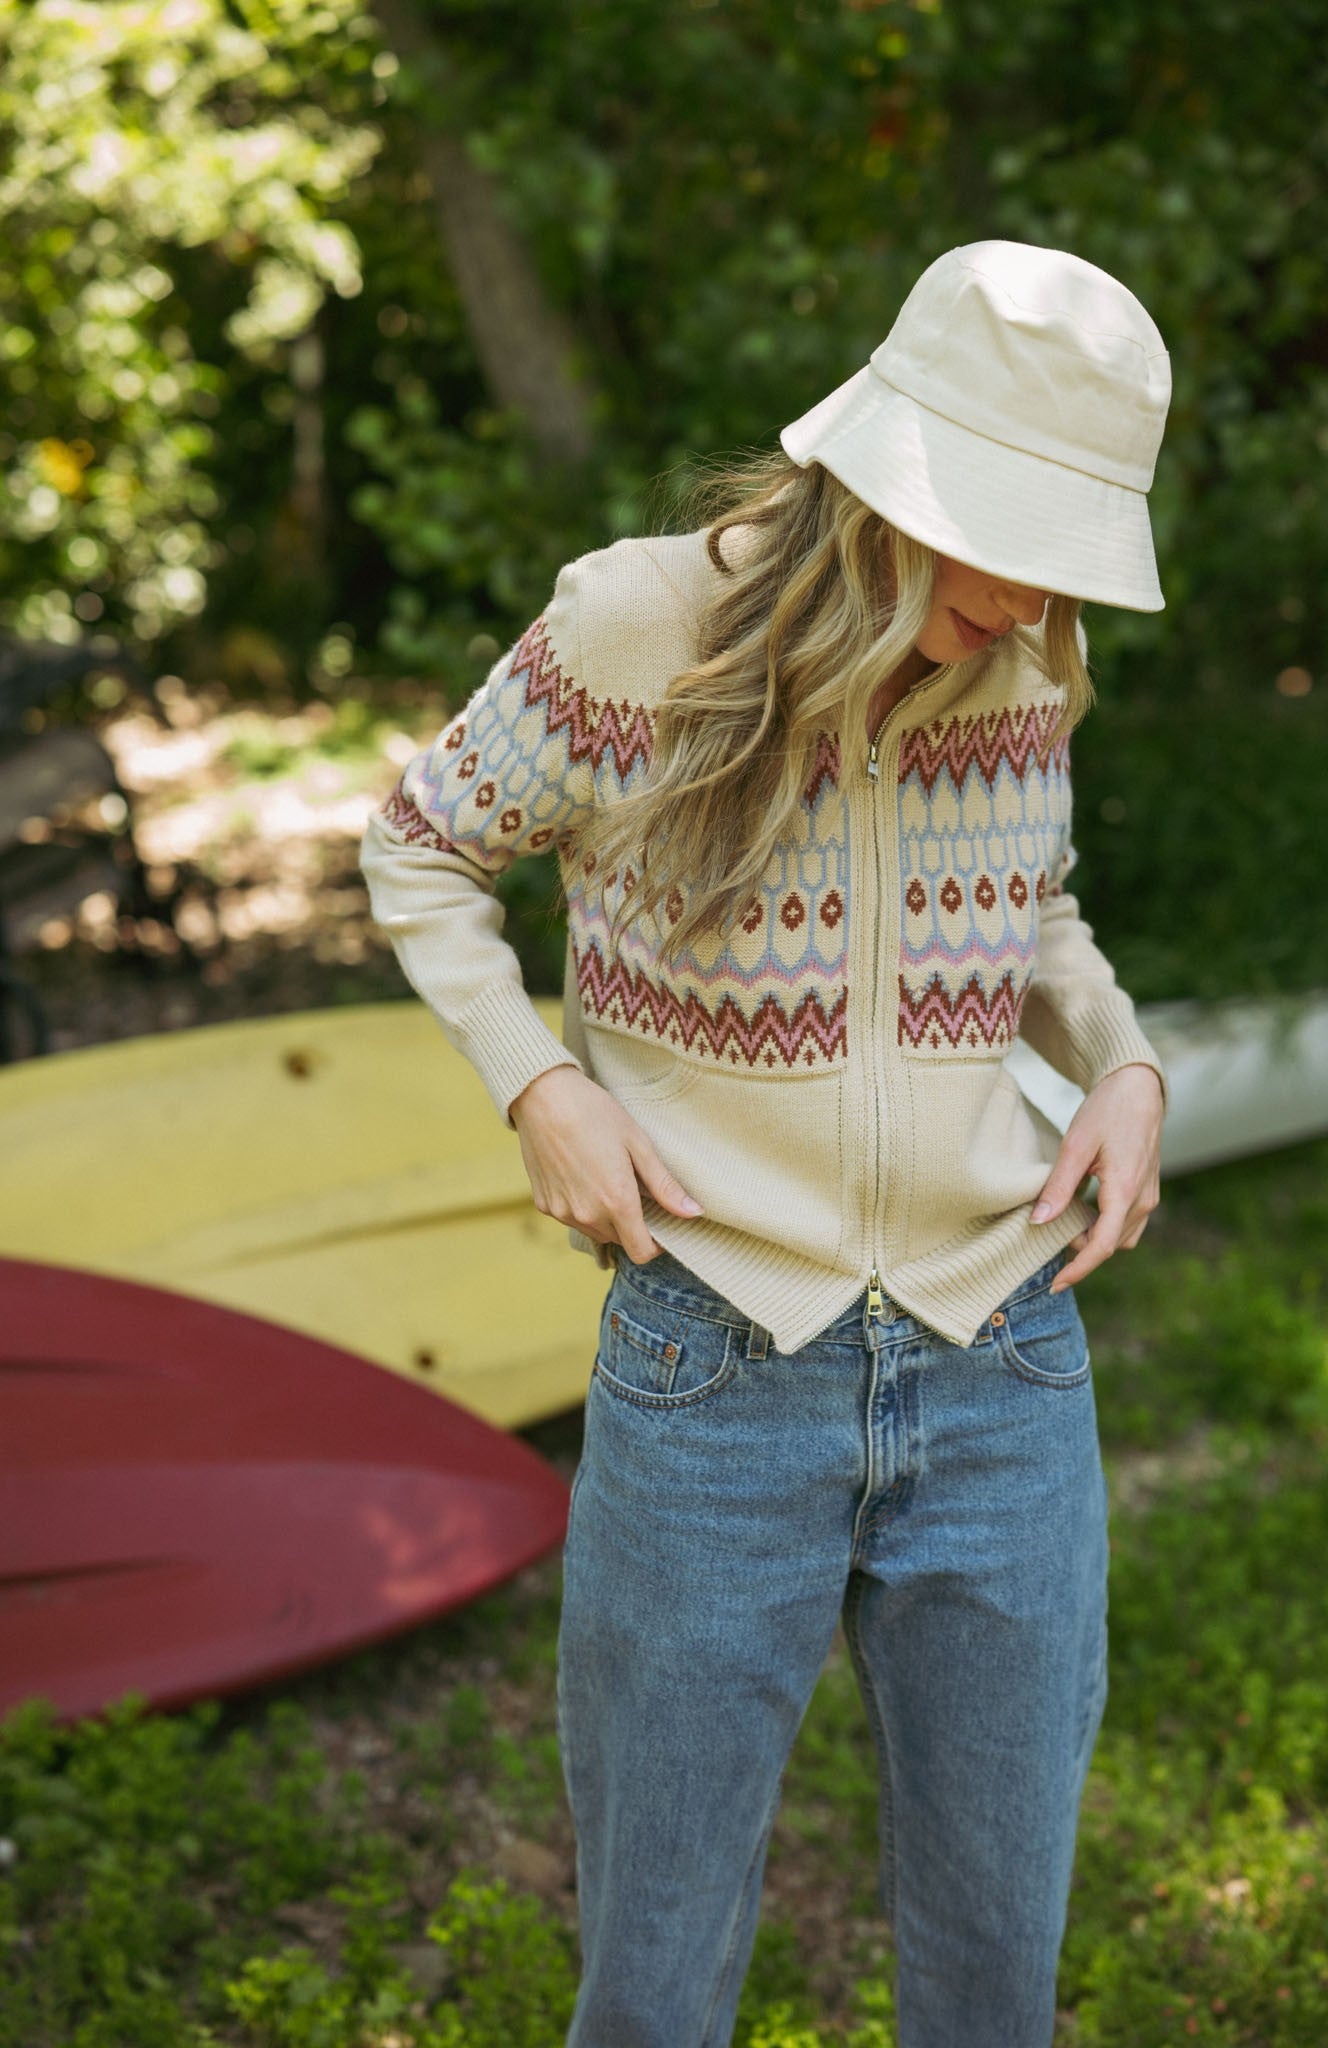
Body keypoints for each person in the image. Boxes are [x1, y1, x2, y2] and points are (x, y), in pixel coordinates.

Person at [360, 238, 1171, 2048]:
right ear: (895, 480)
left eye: (1065, 553)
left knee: (997, 1972)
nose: (1036, 598)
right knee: (654, 1977)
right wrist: (537, 1081)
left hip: (1004, 1358)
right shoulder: (631, 628)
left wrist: (1122, 1065)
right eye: (1009, 537)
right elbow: (418, 842)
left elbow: (1031, 905)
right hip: (712, 1365)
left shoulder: (1026, 656)